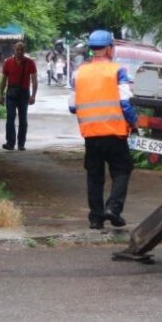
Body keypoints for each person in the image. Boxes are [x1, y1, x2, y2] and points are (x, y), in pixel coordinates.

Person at [68, 29, 136, 230]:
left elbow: (72, 106)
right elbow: (125, 102)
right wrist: (133, 122)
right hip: (114, 131)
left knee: (94, 176)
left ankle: (96, 218)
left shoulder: (79, 72)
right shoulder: (118, 70)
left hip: (91, 134)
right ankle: (113, 209)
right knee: (122, 170)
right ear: (109, 48)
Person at [0, 42, 38, 151]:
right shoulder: (8, 62)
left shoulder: (30, 63)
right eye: (17, 49)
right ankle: (10, 143)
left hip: (24, 93)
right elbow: (3, 80)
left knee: (23, 119)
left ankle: (21, 144)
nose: (19, 52)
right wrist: (1, 95)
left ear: (24, 50)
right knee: (10, 118)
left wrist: (33, 95)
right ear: (14, 50)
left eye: (21, 49)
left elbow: (34, 80)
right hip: (11, 92)